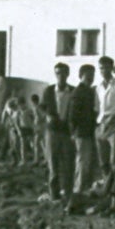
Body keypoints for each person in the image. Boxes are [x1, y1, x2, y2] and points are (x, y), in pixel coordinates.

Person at [41, 64, 76, 200]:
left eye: (63, 73)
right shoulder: (49, 91)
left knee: (68, 164)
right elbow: (42, 107)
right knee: (53, 164)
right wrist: (48, 115)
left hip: (67, 132)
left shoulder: (73, 91)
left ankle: (67, 193)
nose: (60, 76)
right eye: (58, 73)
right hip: (52, 131)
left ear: (67, 74)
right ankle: (54, 195)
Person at [70, 65, 100, 192]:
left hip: (88, 131)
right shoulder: (79, 92)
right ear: (81, 76)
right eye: (88, 76)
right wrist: (73, 131)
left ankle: (84, 187)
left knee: (86, 161)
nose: (91, 78)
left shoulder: (89, 91)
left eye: (92, 75)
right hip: (82, 132)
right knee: (83, 161)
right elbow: (73, 114)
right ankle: (79, 188)